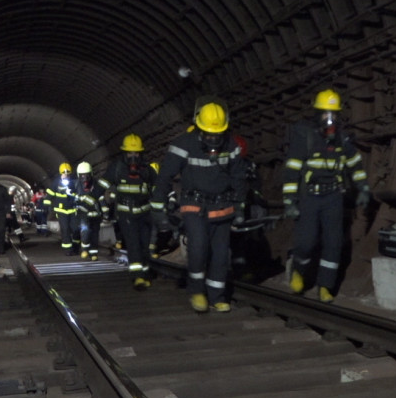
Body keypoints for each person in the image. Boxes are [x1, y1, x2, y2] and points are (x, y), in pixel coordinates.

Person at [150, 100, 247, 313]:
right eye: (208, 134)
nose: (213, 138)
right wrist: (159, 207)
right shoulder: (184, 144)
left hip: (222, 207)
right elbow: (165, 176)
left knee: (221, 255)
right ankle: (197, 292)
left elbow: (239, 176)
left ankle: (217, 296)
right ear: (199, 128)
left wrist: (240, 206)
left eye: (217, 134)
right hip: (194, 206)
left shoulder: (231, 145)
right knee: (199, 249)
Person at [282, 89, 370, 303]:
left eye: (334, 114)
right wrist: (290, 201)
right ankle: (299, 272)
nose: (329, 119)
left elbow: (354, 164)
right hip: (310, 196)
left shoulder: (342, 138)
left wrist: (363, 188)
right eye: (325, 114)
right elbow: (293, 168)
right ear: (317, 114)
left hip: (333, 196)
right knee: (306, 242)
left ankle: (326, 286)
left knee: (333, 243)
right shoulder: (306, 135)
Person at [99, 134, 158, 289]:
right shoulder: (117, 168)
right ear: (125, 153)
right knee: (133, 244)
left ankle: (144, 272)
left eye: (136, 153)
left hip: (145, 213)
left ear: (141, 153)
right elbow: (102, 184)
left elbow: (158, 188)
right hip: (126, 213)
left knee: (145, 245)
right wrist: (89, 200)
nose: (133, 157)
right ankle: (137, 276)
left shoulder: (147, 170)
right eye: (130, 153)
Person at [229, 135, 272, 280]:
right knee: (242, 239)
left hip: (245, 207)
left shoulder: (238, 165)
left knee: (241, 239)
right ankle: (242, 268)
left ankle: (243, 268)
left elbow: (255, 187)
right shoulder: (247, 165)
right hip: (244, 206)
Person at [44, 162, 79, 255]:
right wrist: (45, 206)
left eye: (68, 173)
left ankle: (76, 246)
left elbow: (79, 193)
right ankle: (68, 250)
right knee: (65, 229)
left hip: (72, 210)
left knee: (75, 229)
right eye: (64, 173)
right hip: (61, 210)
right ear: (61, 173)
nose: (66, 175)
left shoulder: (74, 182)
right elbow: (50, 194)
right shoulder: (56, 182)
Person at [75, 162, 103, 261]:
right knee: (85, 230)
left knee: (95, 233)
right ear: (78, 175)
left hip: (95, 213)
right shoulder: (76, 184)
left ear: (91, 174)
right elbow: (72, 196)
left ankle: (93, 253)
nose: (85, 178)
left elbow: (101, 197)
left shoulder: (96, 184)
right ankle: (84, 248)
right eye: (82, 175)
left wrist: (104, 210)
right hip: (83, 212)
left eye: (87, 175)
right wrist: (81, 198)